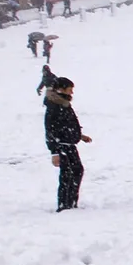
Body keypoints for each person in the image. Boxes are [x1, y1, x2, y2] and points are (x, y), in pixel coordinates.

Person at [44, 76, 91, 212]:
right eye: (70, 89)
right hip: (62, 146)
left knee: (76, 171)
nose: (72, 92)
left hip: (69, 144)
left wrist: (79, 136)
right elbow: (51, 130)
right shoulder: (55, 106)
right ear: (61, 89)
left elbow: (67, 125)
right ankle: (65, 204)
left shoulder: (63, 104)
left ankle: (70, 202)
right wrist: (54, 152)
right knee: (68, 174)